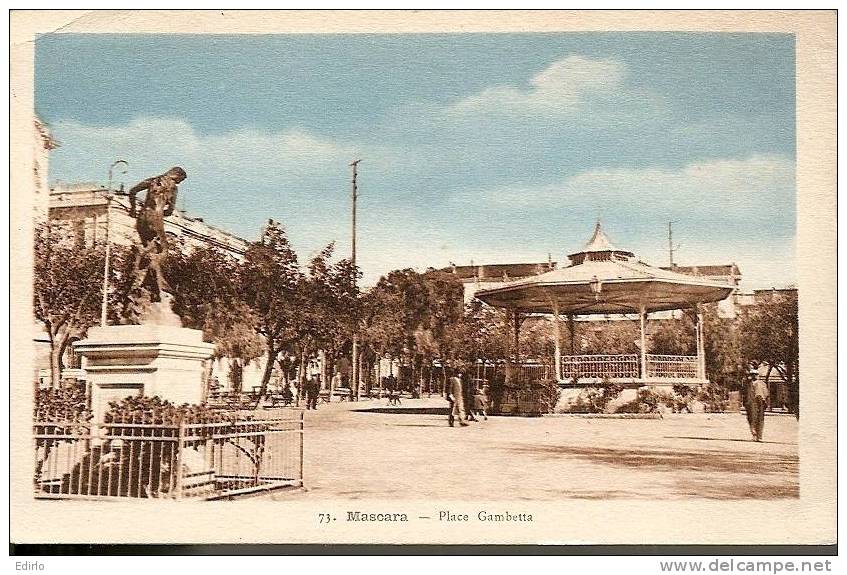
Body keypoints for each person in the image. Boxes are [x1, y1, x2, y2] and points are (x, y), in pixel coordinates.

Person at [744, 367, 769, 441]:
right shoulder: (748, 384)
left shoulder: (762, 384)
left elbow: (766, 394)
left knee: (760, 419)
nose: (754, 376)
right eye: (752, 374)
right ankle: (754, 434)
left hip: (760, 402)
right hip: (751, 403)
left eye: (755, 374)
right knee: (751, 418)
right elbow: (745, 394)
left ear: (758, 375)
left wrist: (764, 402)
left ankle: (759, 436)